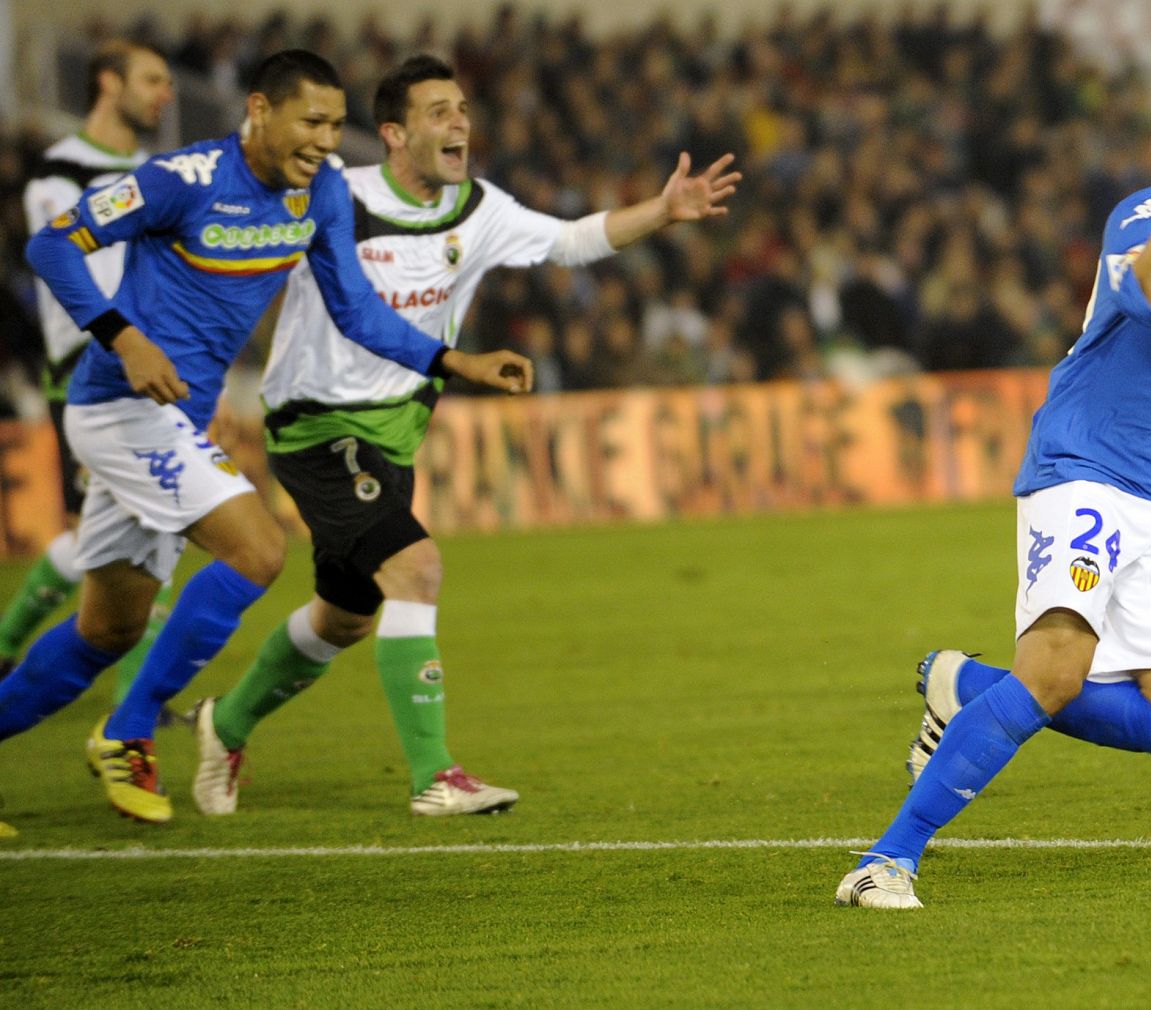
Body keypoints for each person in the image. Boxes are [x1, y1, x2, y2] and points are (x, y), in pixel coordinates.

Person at [188, 54, 739, 817]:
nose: (459, 123)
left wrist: (663, 209)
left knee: (342, 619)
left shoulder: (478, 209)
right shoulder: (333, 197)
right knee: (417, 569)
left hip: (393, 437)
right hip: (315, 425)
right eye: (439, 111)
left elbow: (572, 240)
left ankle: (227, 722)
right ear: (392, 133)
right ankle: (434, 777)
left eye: (463, 111)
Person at [836, 70, 1151, 908]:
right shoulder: (1148, 215)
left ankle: (964, 688)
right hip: (1086, 474)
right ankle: (887, 860)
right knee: (1057, 670)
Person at [2, 49, 532, 825]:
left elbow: (356, 308)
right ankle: (130, 731)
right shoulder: (180, 181)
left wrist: (452, 359)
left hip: (178, 416)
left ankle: (117, 720)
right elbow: (53, 243)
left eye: (336, 125)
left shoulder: (317, 194)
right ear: (258, 111)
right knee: (259, 549)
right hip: (118, 403)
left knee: (107, 629)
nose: (324, 141)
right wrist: (123, 337)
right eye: (310, 121)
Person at [0, 41, 175, 699]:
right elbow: (64, 272)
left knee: (110, 535)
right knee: (141, 527)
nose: (165, 94)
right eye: (152, 80)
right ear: (109, 82)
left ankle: (8, 649)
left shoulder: (152, 173)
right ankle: (135, 706)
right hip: (89, 371)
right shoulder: (58, 173)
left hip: (147, 367)